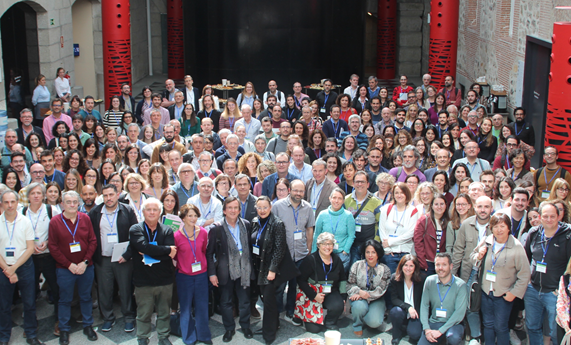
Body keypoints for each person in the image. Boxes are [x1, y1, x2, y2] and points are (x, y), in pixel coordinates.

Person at [470, 213, 530, 345]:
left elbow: (525, 274)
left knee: (501, 327)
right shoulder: (487, 240)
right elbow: (472, 257)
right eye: (496, 226)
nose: (499, 230)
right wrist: (478, 256)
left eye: (502, 226)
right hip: (486, 292)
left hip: (504, 294)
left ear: (509, 228)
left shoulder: (516, 246)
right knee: (487, 324)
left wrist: (513, 293)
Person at [48, 191, 98, 344]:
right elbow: (53, 247)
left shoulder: (85, 218)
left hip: (85, 267)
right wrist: (69, 265)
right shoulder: (55, 222)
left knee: (86, 297)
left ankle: (88, 325)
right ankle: (64, 329)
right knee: (65, 299)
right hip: (65, 269)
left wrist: (84, 262)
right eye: (68, 202)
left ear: (78, 203)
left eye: (74, 202)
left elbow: (93, 241)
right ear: (62, 203)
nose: (71, 205)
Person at [88, 184, 138, 333]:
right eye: (105, 195)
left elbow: (135, 234)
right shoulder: (95, 213)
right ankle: (108, 318)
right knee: (104, 290)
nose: (108, 198)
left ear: (117, 195)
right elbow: (91, 236)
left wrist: (127, 255)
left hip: (123, 258)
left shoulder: (127, 210)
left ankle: (129, 317)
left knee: (125, 289)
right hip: (103, 259)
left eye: (111, 195)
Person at [250, 196, 298, 344]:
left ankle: (269, 334)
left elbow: (280, 249)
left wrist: (272, 269)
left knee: (269, 302)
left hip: (271, 269)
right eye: (259, 207)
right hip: (259, 266)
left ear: (270, 208)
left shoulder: (277, 223)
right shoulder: (254, 222)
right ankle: (272, 324)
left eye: (265, 207)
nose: (262, 210)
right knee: (264, 298)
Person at [206, 197, 254, 342]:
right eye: (230, 208)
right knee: (226, 302)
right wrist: (212, 274)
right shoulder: (216, 228)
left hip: (244, 269)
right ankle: (229, 328)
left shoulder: (246, 224)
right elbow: (209, 253)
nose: (233, 210)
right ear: (225, 210)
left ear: (239, 210)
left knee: (245, 301)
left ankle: (245, 326)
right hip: (225, 271)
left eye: (236, 208)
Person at [129, 198, 176, 345]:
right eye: (148, 209)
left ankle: (163, 336)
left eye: (155, 209)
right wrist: (166, 250)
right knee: (144, 312)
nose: (151, 212)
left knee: (164, 312)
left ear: (160, 212)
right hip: (143, 280)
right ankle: (143, 337)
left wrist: (148, 250)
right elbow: (143, 247)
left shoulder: (167, 230)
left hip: (164, 279)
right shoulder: (135, 229)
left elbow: (171, 253)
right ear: (143, 212)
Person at [0, 190, 44, 345]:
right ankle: (4, 336)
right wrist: (7, 269)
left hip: (24, 266)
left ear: (18, 203)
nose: (10, 205)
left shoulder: (25, 221)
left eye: (13, 202)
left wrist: (14, 269)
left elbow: (30, 248)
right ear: (2, 204)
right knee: (4, 304)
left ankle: (31, 334)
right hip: (4, 267)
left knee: (29, 302)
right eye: (6, 202)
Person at [524, 201, 571, 345]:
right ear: (539, 217)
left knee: (556, 331)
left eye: (552, 216)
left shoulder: (567, 235)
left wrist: (563, 289)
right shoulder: (534, 233)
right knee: (532, 327)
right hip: (533, 289)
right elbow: (526, 258)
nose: (549, 220)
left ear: (559, 216)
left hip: (554, 293)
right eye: (545, 216)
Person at [451, 195, 493, 345]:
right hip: (469, 271)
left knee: (487, 305)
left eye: (486, 207)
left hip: (488, 273)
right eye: (480, 207)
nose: (483, 210)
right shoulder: (467, 224)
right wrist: (453, 273)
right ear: (474, 207)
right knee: (470, 305)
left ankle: (487, 336)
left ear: (491, 208)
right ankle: (475, 336)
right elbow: (458, 250)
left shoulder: (496, 224)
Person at [272, 179, 316, 320]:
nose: (298, 193)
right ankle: (277, 310)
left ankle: (291, 309)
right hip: (283, 255)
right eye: (295, 190)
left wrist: (308, 249)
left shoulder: (308, 207)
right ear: (289, 190)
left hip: (301, 253)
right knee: (279, 286)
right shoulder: (278, 206)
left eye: (301, 191)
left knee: (295, 285)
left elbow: (309, 229)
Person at [21, 183, 62, 336]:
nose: (36, 196)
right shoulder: (23, 212)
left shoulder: (51, 210)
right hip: (29, 257)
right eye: (33, 193)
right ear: (28, 196)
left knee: (56, 288)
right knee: (29, 291)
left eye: (39, 193)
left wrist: (49, 242)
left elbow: (59, 231)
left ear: (44, 195)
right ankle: (30, 323)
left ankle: (59, 321)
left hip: (48, 256)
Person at [174, 204, 211, 345]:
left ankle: (204, 335)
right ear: (183, 217)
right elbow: (176, 256)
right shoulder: (176, 236)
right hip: (184, 276)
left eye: (195, 215)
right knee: (185, 307)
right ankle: (189, 337)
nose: (193, 218)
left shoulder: (203, 232)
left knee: (202, 305)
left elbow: (203, 250)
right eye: (190, 215)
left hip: (201, 274)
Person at [296, 232, 347, 333]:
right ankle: (304, 318)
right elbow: (301, 280)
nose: (327, 247)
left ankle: (330, 322)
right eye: (324, 244)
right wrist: (314, 295)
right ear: (318, 245)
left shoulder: (337, 260)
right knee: (314, 330)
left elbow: (342, 279)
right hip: (313, 292)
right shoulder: (310, 260)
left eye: (330, 244)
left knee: (338, 305)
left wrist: (343, 296)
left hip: (331, 291)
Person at [419, 253, 467, 345]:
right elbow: (424, 306)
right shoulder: (429, 281)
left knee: (453, 338)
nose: (441, 268)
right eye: (438, 265)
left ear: (451, 266)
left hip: (454, 324)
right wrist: (427, 329)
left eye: (444, 265)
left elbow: (459, 313)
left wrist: (440, 331)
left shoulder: (460, 285)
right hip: (435, 322)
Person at [347, 239, 391, 336]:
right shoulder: (356, 265)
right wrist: (359, 291)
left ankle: (367, 315)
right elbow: (350, 284)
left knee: (375, 322)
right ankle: (357, 324)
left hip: (376, 298)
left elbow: (381, 290)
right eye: (367, 252)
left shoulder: (385, 269)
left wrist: (365, 295)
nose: (370, 255)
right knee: (359, 306)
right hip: (358, 296)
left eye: (373, 252)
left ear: (378, 254)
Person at [378, 182, 420, 273]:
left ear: (406, 194)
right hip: (389, 253)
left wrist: (390, 242)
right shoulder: (386, 209)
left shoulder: (413, 210)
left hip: (406, 253)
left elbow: (410, 233)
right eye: (396, 193)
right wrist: (387, 249)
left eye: (402, 192)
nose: (399, 195)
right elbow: (382, 230)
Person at [311, 188, 355, 272]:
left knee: (338, 279)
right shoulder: (322, 214)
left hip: (341, 254)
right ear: (330, 198)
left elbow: (351, 235)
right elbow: (317, 234)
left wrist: (345, 251)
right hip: (324, 252)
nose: (336, 201)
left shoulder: (348, 215)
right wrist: (314, 252)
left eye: (340, 198)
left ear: (343, 201)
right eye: (334, 197)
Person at [344, 171, 382, 266]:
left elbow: (380, 223)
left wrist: (375, 242)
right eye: (357, 182)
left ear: (368, 184)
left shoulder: (376, 202)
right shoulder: (346, 200)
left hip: (369, 244)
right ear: (353, 183)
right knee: (353, 268)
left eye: (362, 182)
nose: (359, 184)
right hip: (352, 244)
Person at [388, 254, 425, 345]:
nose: (408, 268)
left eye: (411, 266)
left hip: (416, 313)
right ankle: (396, 334)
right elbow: (394, 299)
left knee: (415, 335)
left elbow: (424, 301)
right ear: (401, 266)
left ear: (415, 267)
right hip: (402, 310)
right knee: (395, 312)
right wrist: (408, 307)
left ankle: (407, 327)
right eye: (406, 265)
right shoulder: (394, 278)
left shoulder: (422, 279)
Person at [413, 195, 452, 275]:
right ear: (432, 206)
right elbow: (418, 243)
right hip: (428, 263)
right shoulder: (423, 220)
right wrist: (423, 263)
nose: (439, 207)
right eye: (436, 204)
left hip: (443, 263)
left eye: (442, 204)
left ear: (446, 205)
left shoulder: (449, 222)